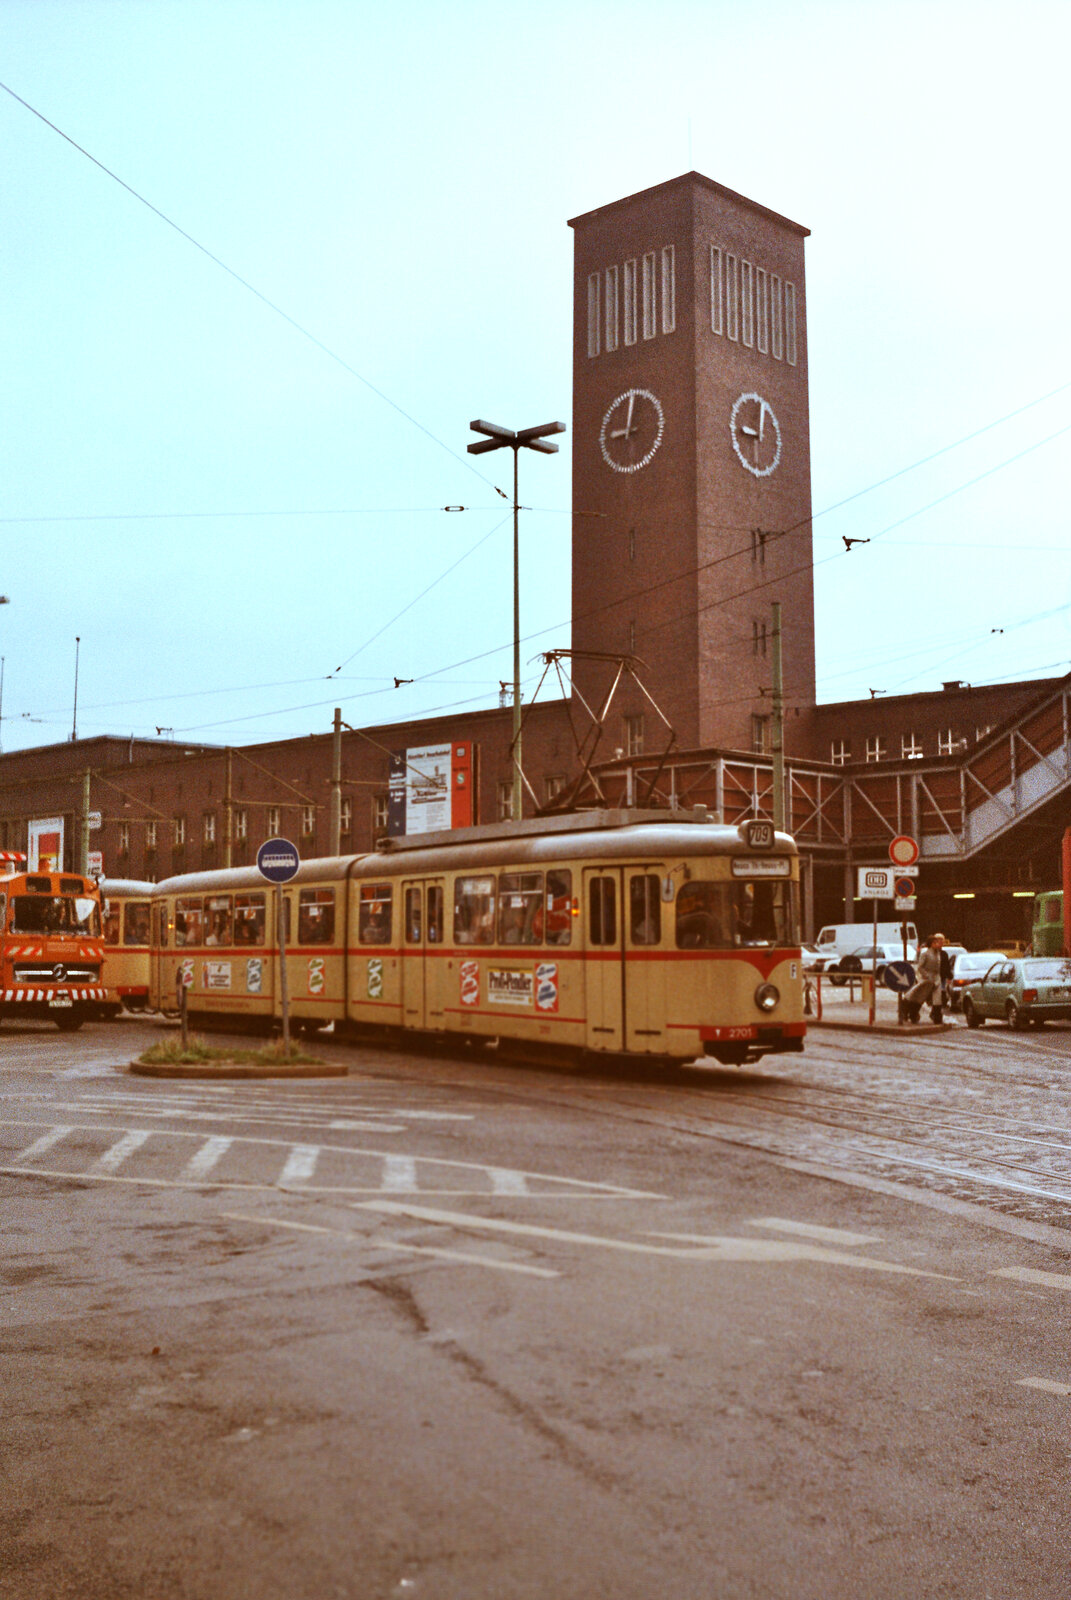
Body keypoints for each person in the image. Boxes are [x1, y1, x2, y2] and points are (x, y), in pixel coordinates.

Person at [906, 933, 948, 1023]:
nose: (938, 944)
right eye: (935, 943)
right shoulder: (925, 954)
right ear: (931, 944)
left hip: (936, 979)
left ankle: (937, 1016)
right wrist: (926, 975)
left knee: (937, 998)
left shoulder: (938, 954)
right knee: (920, 997)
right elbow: (920, 967)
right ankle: (912, 1013)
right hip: (927, 979)